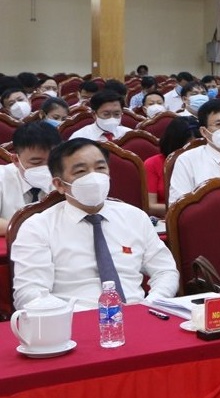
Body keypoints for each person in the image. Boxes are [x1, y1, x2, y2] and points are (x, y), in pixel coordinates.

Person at [11, 138, 179, 310]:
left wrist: (151, 304)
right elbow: (29, 294)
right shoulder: (38, 227)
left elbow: (165, 271)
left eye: (100, 168)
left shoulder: (135, 217)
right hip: (74, 318)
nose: (94, 177)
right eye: (81, 171)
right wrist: (73, 316)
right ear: (59, 184)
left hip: (138, 313)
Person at [0, 122, 62, 227]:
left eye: (52, 161)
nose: (47, 168)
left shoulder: (67, 176)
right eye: (36, 162)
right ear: (16, 160)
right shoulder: (2, 177)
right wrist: (30, 231)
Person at [144, 117, 194, 218]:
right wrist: (185, 210)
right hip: (165, 218)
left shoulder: (204, 161)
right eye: (188, 148)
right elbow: (150, 206)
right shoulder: (152, 163)